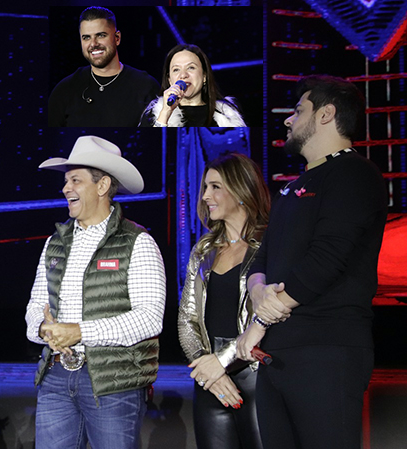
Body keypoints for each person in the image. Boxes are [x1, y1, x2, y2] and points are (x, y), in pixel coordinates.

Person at [236, 75, 388, 449]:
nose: (288, 119)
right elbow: (264, 258)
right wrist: (257, 291)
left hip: (328, 349)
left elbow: (327, 259)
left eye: (298, 110)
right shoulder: (290, 187)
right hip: (277, 354)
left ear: (326, 114)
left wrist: (262, 319)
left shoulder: (355, 173)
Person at [25, 136, 166, 449]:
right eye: (65, 181)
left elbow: (149, 319)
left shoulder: (137, 242)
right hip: (56, 376)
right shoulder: (55, 243)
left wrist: (77, 332)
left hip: (114, 383)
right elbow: (36, 305)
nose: (65, 188)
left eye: (75, 180)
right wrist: (44, 329)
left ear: (102, 186)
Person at [177, 153, 269, 449]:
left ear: (241, 191)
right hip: (209, 378)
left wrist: (222, 362)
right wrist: (209, 371)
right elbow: (187, 320)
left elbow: (270, 317)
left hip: (259, 375)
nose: (205, 196)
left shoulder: (270, 244)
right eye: (205, 187)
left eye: (215, 187)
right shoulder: (203, 251)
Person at [48, 6, 160, 127]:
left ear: (117, 38)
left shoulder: (145, 86)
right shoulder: (65, 90)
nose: (93, 44)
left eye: (101, 35)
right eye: (86, 38)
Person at [140, 44, 246, 127]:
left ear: (204, 76)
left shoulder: (227, 114)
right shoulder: (154, 113)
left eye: (191, 68)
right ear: (169, 80)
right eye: (176, 70)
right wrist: (165, 113)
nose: (183, 75)